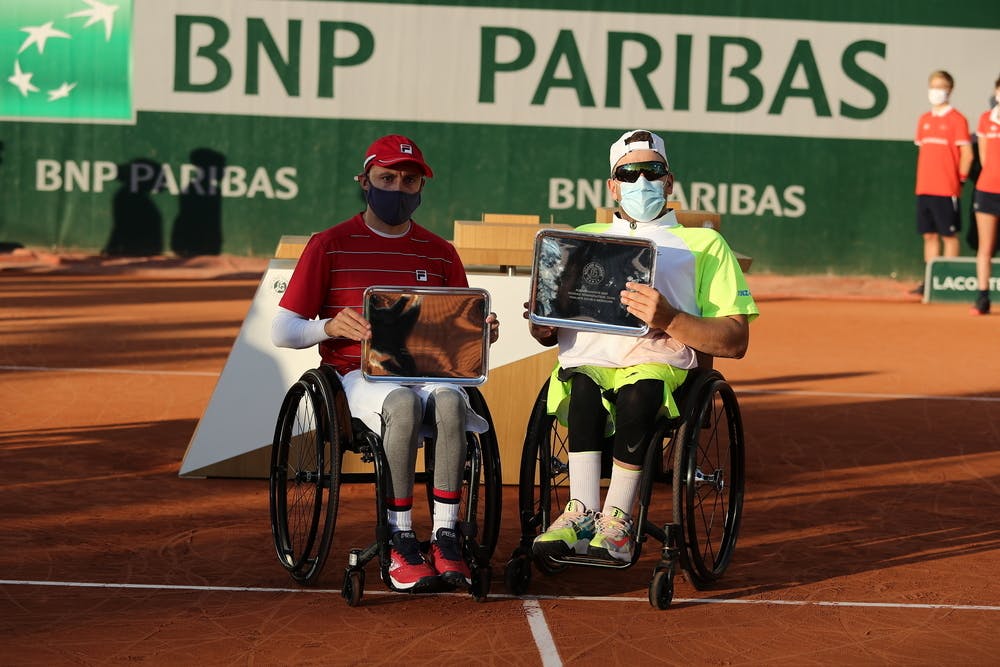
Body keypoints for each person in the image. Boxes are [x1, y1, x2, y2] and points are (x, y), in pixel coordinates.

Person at [271, 134, 499, 592]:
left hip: (429, 372)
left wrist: (480, 332)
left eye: (409, 181)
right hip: (358, 376)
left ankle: (446, 534)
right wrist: (329, 327)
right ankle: (398, 536)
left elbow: (455, 332)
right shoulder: (329, 245)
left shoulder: (440, 252)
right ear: (365, 181)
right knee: (401, 403)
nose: (398, 189)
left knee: (453, 403)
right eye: (387, 178)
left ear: (421, 188)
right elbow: (283, 330)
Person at [527, 129, 759, 563]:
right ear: (612, 186)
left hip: (662, 367)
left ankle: (617, 520)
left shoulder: (706, 245)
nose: (641, 182)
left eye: (652, 172)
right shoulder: (583, 238)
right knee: (583, 390)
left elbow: (735, 339)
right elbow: (545, 333)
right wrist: (543, 319)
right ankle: (580, 513)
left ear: (669, 182)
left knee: (641, 391)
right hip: (589, 363)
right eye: (628, 174)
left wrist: (669, 318)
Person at [912, 70, 973, 295]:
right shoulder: (924, 120)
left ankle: (949, 280)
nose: (936, 92)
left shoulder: (958, 120)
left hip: (947, 189)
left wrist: (960, 182)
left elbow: (967, 155)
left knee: (949, 235)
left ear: (950, 90)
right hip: (924, 188)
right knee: (929, 235)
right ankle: (930, 281)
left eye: (941, 87)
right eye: (933, 86)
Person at [970, 74, 1000, 315]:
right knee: (985, 247)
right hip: (987, 190)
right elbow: (984, 158)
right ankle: (982, 298)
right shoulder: (985, 120)